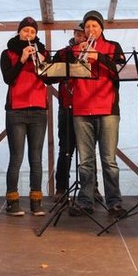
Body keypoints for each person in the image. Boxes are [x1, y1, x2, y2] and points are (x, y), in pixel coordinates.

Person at [67, 10, 126, 218]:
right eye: (87, 26)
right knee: (85, 161)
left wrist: (98, 56)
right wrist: (76, 56)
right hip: (82, 108)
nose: (90, 29)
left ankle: (114, 202)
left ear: (101, 28)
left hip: (107, 109)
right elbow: (64, 74)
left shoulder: (112, 47)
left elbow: (121, 72)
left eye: (94, 26)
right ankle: (85, 201)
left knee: (109, 160)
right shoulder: (75, 49)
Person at [0, 17, 49, 216]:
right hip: (16, 110)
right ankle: (12, 201)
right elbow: (8, 78)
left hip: (38, 109)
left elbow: (50, 79)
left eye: (32, 32)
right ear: (19, 32)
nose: (29, 34)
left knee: (36, 158)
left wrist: (43, 63)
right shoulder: (8, 53)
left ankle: (36, 201)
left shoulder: (43, 52)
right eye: (25, 30)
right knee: (16, 158)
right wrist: (22, 60)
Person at [52, 24, 87, 201]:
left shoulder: (93, 52)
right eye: (78, 34)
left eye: (84, 35)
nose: (81, 38)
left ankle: (91, 188)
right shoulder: (63, 53)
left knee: (87, 152)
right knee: (65, 149)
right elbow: (50, 76)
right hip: (67, 105)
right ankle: (61, 188)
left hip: (87, 107)